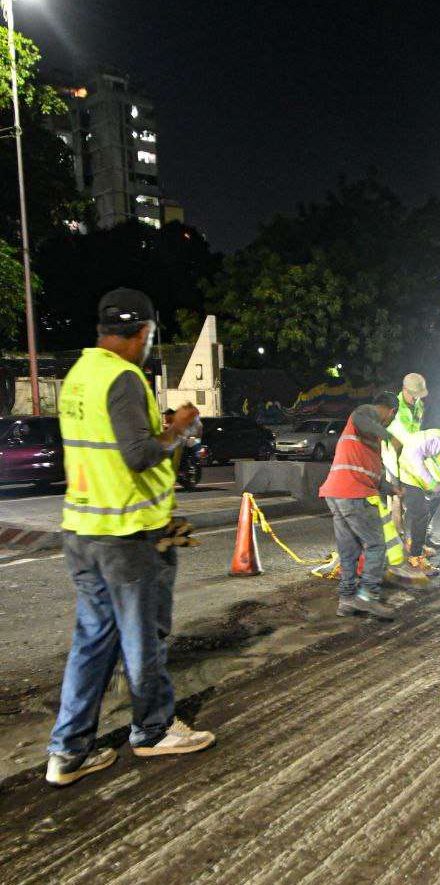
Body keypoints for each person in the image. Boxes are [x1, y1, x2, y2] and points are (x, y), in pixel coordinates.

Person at [47, 288, 215, 788]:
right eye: (149, 337)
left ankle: (67, 750)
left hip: (82, 528)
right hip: (123, 533)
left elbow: (108, 443)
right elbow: (139, 455)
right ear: (142, 332)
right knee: (140, 638)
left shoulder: (80, 375)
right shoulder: (122, 377)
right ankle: (154, 728)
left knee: (92, 642)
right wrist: (180, 429)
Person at [319, 391, 403, 619]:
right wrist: (389, 436)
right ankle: (367, 597)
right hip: (352, 494)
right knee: (376, 545)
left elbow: (372, 475)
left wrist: (392, 489)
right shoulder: (367, 413)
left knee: (349, 551)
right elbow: (360, 417)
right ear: (390, 411)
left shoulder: (369, 440)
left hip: (336, 494)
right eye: (391, 419)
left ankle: (346, 600)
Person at [397, 428, 440, 575]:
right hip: (410, 474)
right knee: (421, 513)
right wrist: (433, 484)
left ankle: (421, 542)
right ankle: (415, 558)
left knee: (432, 505)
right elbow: (413, 453)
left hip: (428, 482)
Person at [382, 373, 428, 533]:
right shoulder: (396, 408)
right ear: (404, 389)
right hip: (393, 455)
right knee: (397, 496)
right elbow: (403, 439)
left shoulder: (419, 406)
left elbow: (417, 432)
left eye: (419, 395)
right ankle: (398, 535)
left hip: (411, 455)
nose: (416, 399)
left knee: (417, 497)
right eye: (414, 395)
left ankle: (418, 537)